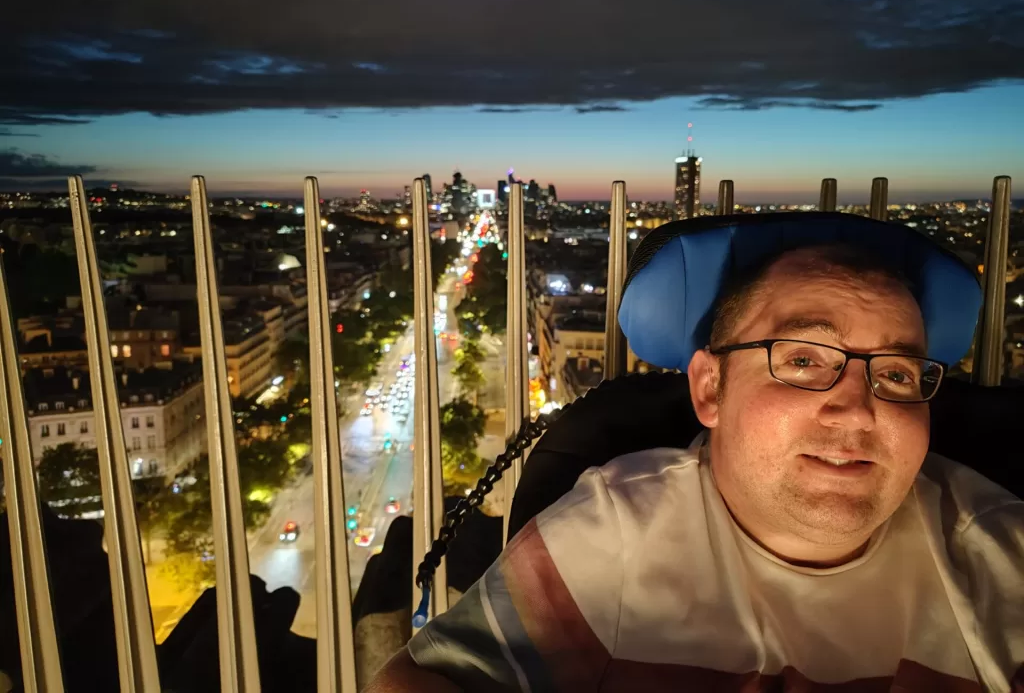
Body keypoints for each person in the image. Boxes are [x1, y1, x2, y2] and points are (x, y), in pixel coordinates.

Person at [368, 241, 1024, 692]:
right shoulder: (617, 533)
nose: (856, 412)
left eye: (897, 373)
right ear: (710, 389)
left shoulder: (1001, 555)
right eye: (801, 360)